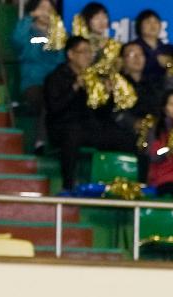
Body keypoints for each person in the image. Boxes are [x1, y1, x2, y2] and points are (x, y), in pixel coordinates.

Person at [43, 36, 136, 189]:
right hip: (62, 128)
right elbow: (55, 108)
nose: (88, 56)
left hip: (89, 127)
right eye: (83, 52)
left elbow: (102, 113)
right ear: (71, 55)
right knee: (72, 133)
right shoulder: (55, 77)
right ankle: (68, 185)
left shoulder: (93, 77)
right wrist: (74, 88)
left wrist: (108, 94)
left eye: (90, 52)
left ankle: (122, 186)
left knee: (125, 137)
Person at [11, 0, 64, 153]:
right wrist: (29, 18)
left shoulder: (59, 34)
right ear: (34, 10)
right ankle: (41, 141)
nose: (46, 12)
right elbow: (17, 40)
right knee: (48, 100)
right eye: (42, 8)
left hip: (55, 84)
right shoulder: (26, 30)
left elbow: (61, 60)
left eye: (50, 9)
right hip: (33, 84)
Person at [132, 9, 167, 88]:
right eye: (148, 22)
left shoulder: (168, 49)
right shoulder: (131, 48)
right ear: (139, 25)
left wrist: (169, 64)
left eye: (156, 22)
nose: (153, 25)